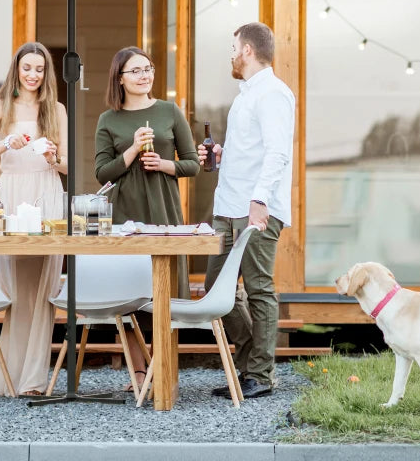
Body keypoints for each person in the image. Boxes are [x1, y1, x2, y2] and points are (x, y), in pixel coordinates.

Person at [197, 21, 295, 400]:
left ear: (248, 51)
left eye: (233, 48)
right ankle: (253, 361)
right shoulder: (246, 95)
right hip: (227, 207)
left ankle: (260, 375)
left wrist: (260, 200)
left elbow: (277, 152)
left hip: (255, 209)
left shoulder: (273, 93)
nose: (231, 55)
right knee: (215, 290)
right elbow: (253, 150)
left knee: (258, 288)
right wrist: (223, 155)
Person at [95, 46, 199, 388]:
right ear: (120, 78)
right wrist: (132, 149)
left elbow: (192, 164)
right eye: (136, 71)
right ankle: (139, 372)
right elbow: (102, 173)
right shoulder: (108, 119)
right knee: (130, 292)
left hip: (163, 209)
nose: (144, 76)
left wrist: (164, 164)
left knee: (163, 290)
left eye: (148, 69)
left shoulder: (169, 111)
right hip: (125, 214)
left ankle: (162, 367)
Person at [0, 41, 67, 396]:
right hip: (13, 195)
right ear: (17, 69)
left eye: (39, 69)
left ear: (46, 73)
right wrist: (6, 143)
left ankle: (32, 379)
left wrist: (53, 157)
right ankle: (8, 376)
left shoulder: (55, 109)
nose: (33, 75)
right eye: (27, 68)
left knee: (42, 289)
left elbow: (67, 165)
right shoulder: (0, 105)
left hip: (47, 192)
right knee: (16, 288)